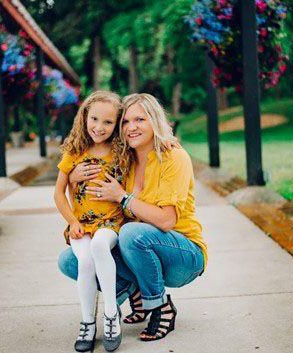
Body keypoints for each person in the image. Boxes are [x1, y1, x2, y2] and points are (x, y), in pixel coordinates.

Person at [59, 93, 207, 342]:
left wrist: (123, 198)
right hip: (141, 253)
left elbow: (166, 221)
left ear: (155, 121)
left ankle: (160, 307)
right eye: (126, 121)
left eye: (140, 119)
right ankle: (130, 290)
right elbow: (87, 190)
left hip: (183, 255)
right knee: (70, 260)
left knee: (131, 234)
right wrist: (73, 177)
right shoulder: (123, 159)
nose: (132, 127)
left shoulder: (173, 157)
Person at [53, 91, 130, 352]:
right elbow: (58, 193)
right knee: (85, 261)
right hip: (81, 223)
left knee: (99, 246)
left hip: (111, 223)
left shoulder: (122, 152)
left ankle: (110, 315)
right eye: (94, 119)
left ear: (117, 124)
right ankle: (87, 321)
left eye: (108, 123)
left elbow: (151, 151)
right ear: (84, 117)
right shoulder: (74, 151)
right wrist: (72, 221)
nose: (99, 127)